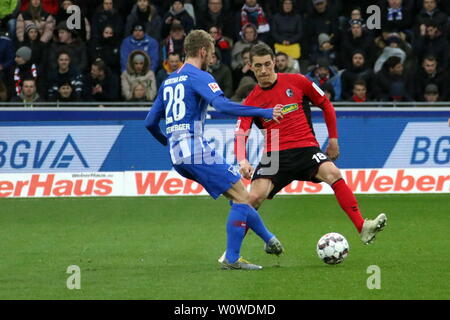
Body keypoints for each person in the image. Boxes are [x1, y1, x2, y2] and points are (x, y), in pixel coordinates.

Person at [144, 30, 284, 270]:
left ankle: (270, 240)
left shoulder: (168, 80)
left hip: (178, 156)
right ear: (202, 51)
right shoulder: (198, 76)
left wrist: (168, 142)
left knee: (237, 195)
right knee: (242, 197)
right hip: (195, 148)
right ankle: (233, 258)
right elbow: (222, 105)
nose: (212, 58)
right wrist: (264, 112)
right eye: (210, 53)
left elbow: (150, 122)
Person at [232, 43, 387, 257]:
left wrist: (333, 139)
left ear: (274, 62)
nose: (264, 70)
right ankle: (232, 253)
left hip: (306, 148)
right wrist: (243, 160)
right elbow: (241, 133)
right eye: (258, 66)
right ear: (250, 67)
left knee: (333, 173)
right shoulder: (251, 101)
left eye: (267, 64)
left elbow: (326, 104)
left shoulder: (298, 81)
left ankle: (362, 226)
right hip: (275, 154)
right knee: (253, 198)